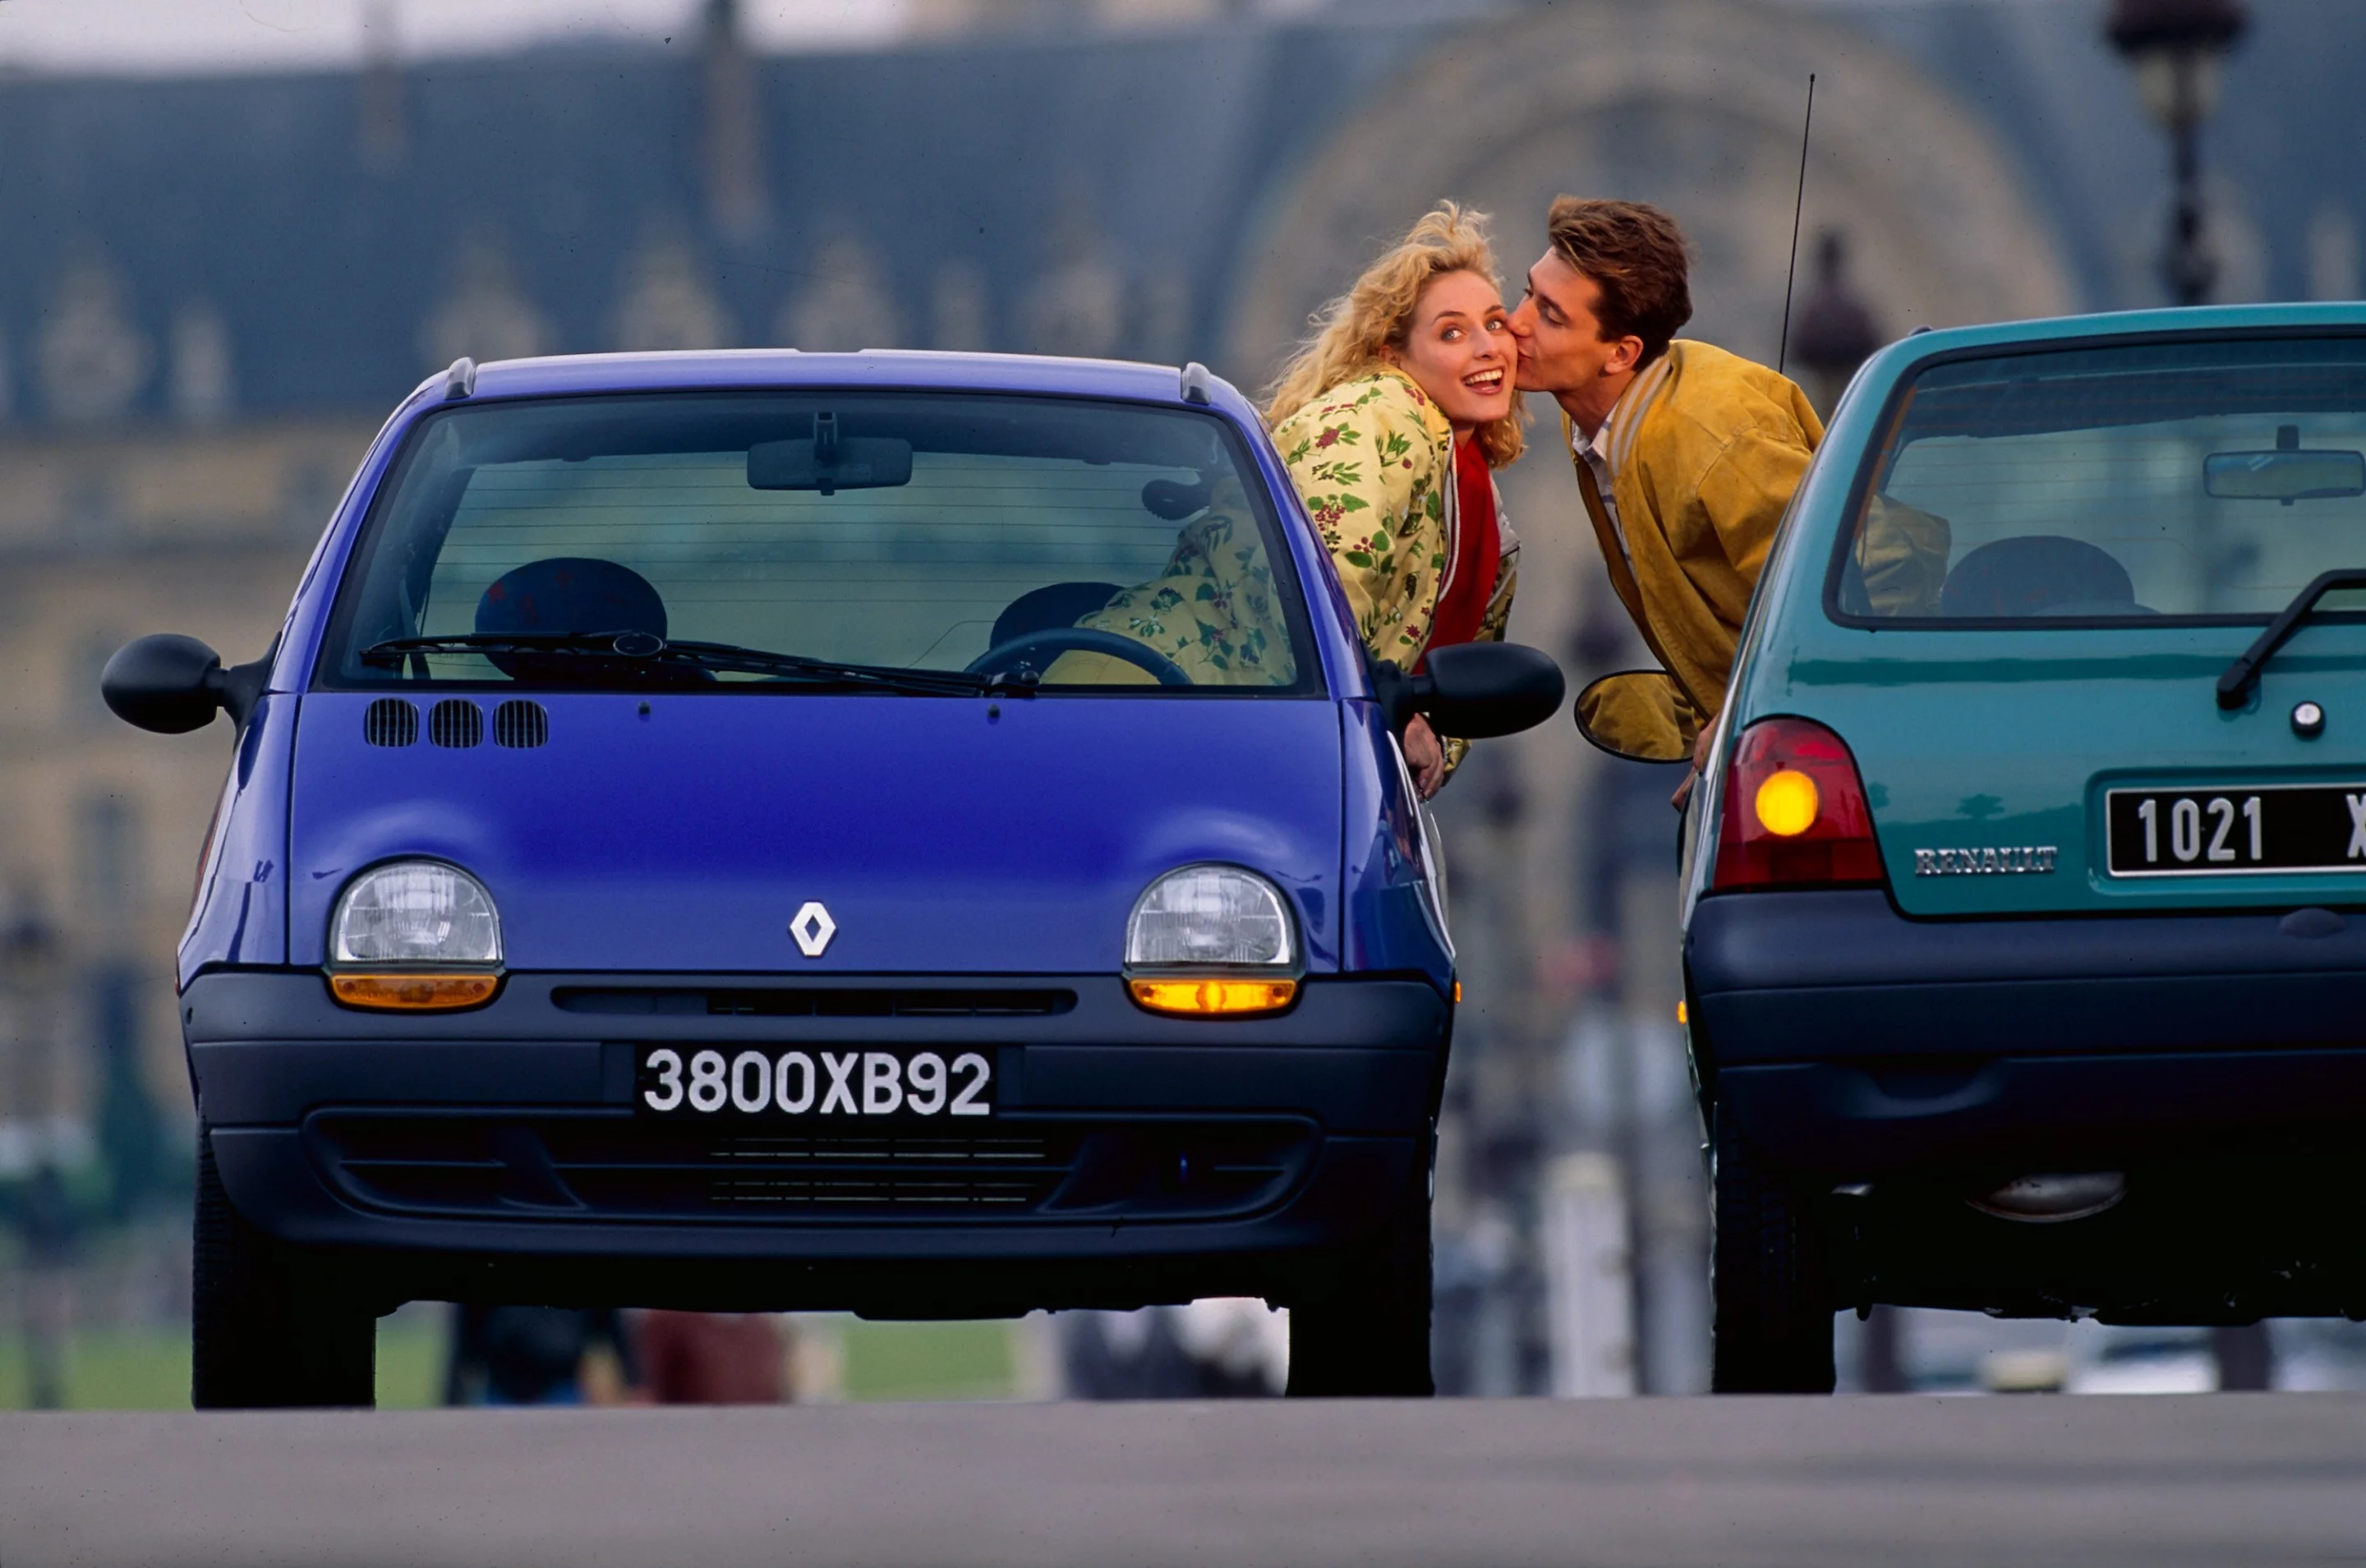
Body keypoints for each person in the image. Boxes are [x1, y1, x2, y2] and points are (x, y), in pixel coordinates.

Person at [1505, 198, 1820, 775]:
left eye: (1551, 316)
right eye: (1528, 293)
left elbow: (1852, 586)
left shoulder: (1713, 435)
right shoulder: (1602, 422)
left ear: (1621, 353)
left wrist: (1748, 724)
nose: (1516, 322)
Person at [1263, 202, 1525, 798]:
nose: (1488, 347)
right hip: (1174, 698)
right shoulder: (1381, 413)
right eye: (1452, 332)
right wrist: (1388, 711)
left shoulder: (1475, 490)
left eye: (1495, 323)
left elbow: (1461, 675)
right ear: (1392, 356)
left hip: (1301, 738)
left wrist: (1422, 733)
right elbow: (1329, 585)